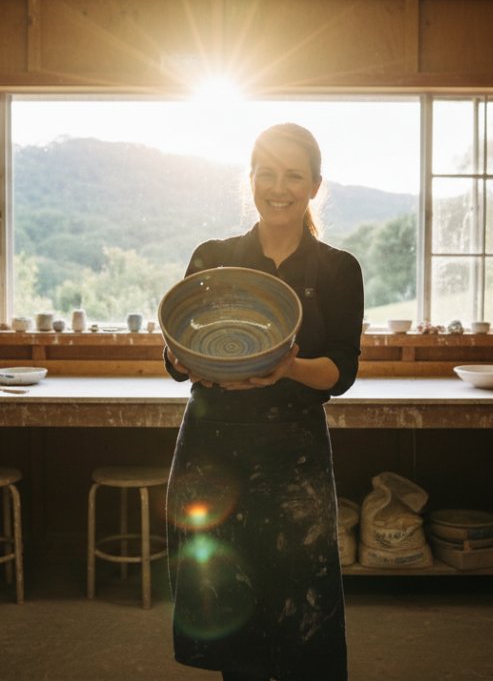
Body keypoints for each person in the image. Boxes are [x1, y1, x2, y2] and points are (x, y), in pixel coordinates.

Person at [163, 123, 364, 681]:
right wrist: (185, 356)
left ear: (315, 185)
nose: (279, 187)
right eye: (267, 173)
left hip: (292, 454)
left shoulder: (338, 268)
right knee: (231, 603)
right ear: (250, 179)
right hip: (214, 448)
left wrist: (288, 367)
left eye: (293, 175)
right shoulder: (214, 257)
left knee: (301, 605)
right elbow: (176, 358)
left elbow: (342, 370)